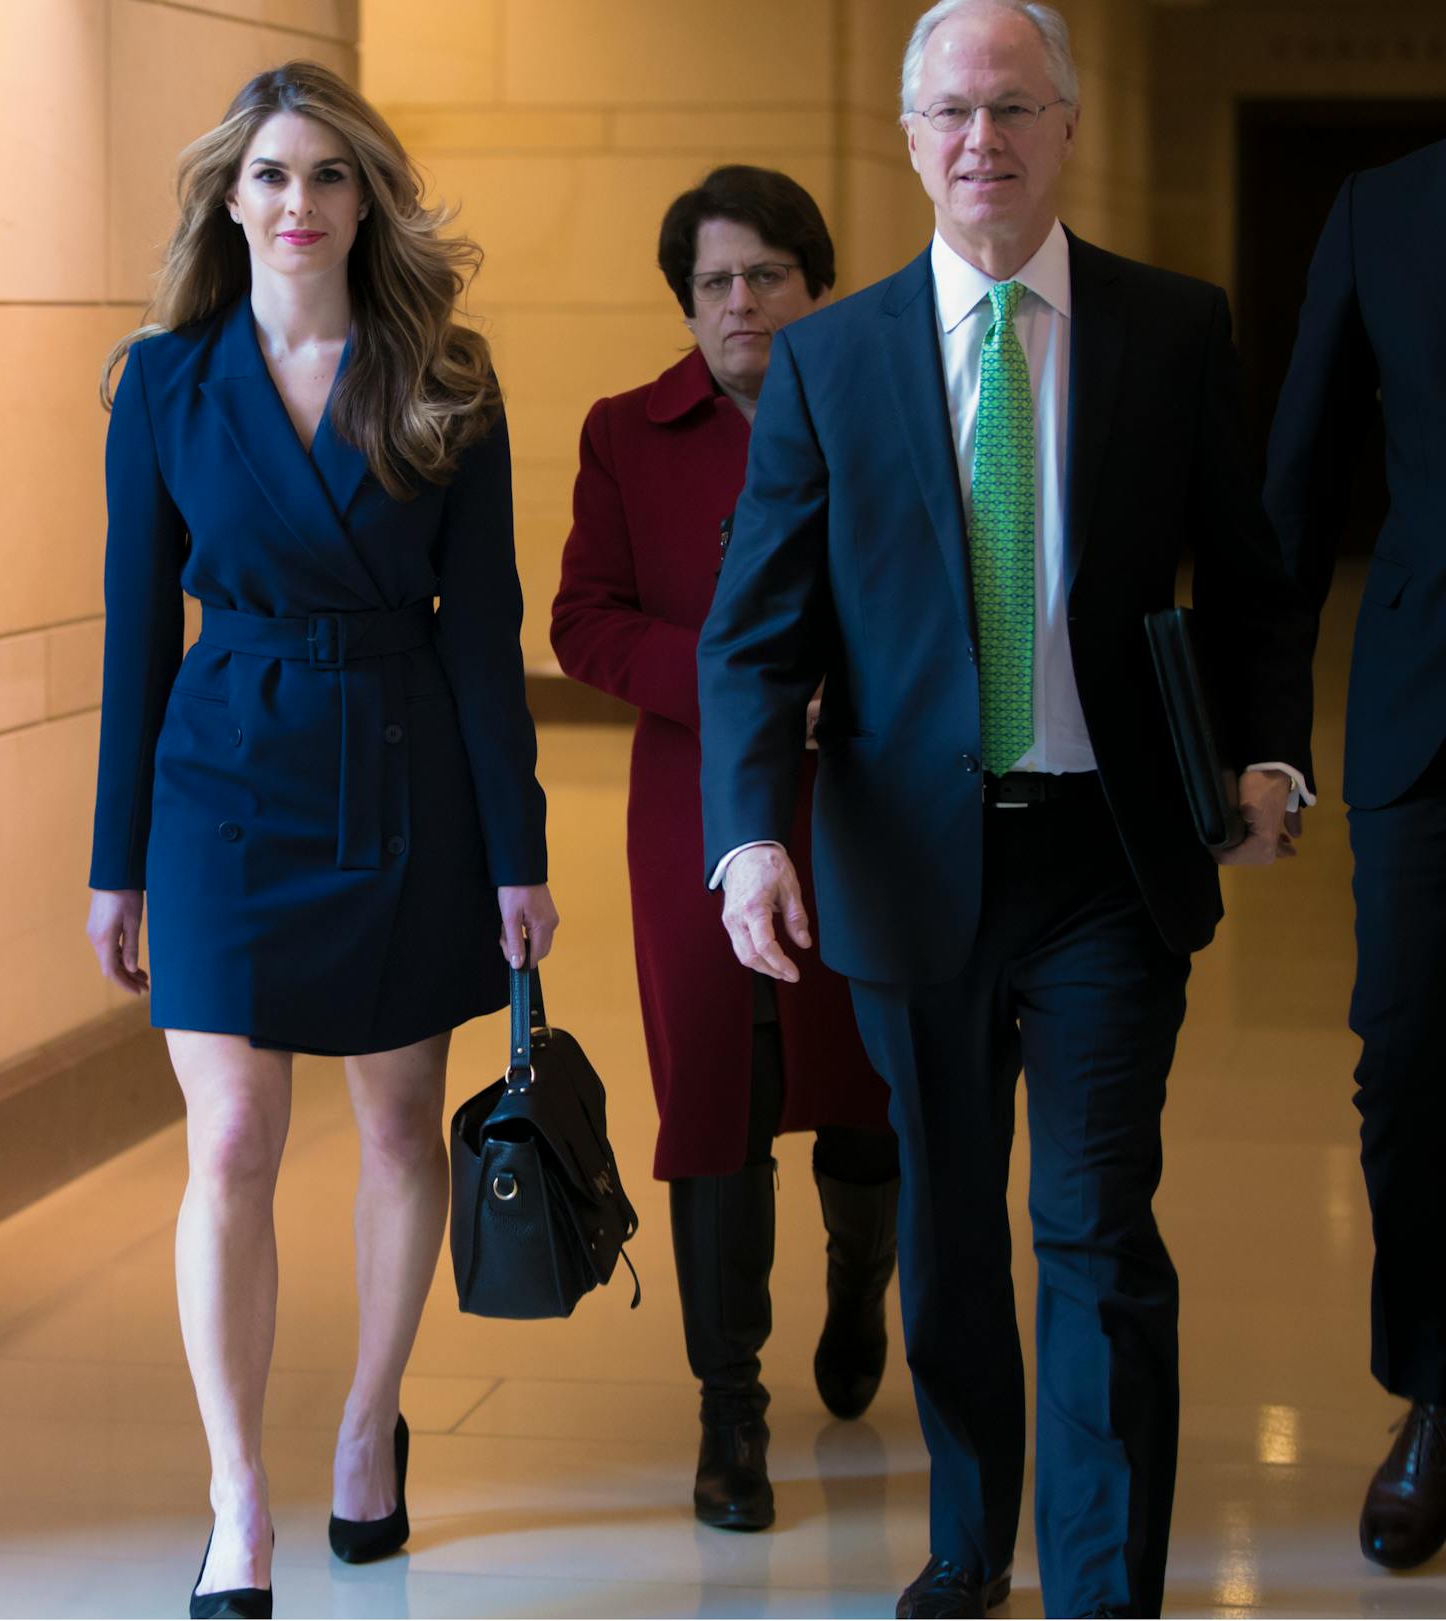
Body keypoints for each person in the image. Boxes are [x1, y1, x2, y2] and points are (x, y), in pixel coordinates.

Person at [695, 2, 1316, 1614]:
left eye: (1015, 108)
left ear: (1067, 128)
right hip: (908, 865)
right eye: (953, 113)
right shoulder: (830, 361)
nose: (983, 140)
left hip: (1111, 854)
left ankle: (1108, 1583)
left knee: (1097, 1219)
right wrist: (751, 835)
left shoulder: (1172, 328)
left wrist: (1268, 755)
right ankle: (973, 1538)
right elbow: (755, 633)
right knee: (955, 1231)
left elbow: (1252, 582)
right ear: (910, 139)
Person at [84, 60, 555, 1621]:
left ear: (369, 201)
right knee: (230, 1141)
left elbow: (485, 631)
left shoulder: (449, 372)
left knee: (403, 1126)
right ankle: (238, 1496)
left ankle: (367, 1422)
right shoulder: (160, 382)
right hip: (222, 773)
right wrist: (117, 858)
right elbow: (134, 632)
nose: (301, 203)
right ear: (233, 196)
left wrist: (518, 850)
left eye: (331, 176)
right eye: (274, 176)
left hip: (404, 765)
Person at [549, 165, 899, 1534]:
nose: (741, 303)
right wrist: (739, 678)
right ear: (686, 303)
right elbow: (585, 620)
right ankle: (730, 1405)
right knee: (715, 1090)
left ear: (818, 288)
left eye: (767, 276)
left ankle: (863, 1282)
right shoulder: (627, 432)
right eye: (714, 284)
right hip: (695, 802)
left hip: (867, 799)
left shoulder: (890, 409)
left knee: (863, 1076)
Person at [1265, 136, 1446, 1575]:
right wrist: (1262, 733)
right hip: (1425, 709)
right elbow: (1302, 478)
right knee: (1409, 1065)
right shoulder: (1382, 209)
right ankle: (1438, 1389)